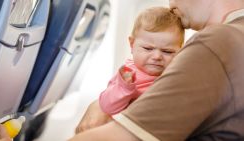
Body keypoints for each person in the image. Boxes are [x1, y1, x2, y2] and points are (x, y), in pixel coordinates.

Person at [68, 0, 244, 140]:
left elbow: (120, 137)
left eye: (167, 51)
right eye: (148, 48)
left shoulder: (215, 42)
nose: (171, 3)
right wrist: (103, 102)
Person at [75, 7, 184, 133]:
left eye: (167, 51)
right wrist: (123, 88)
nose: (157, 57)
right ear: (132, 45)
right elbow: (107, 106)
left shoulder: (174, 74)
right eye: (148, 48)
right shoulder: (127, 74)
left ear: (180, 50)